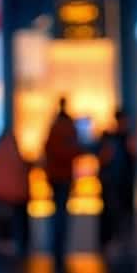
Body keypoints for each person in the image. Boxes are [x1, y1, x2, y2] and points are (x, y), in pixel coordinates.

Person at [43, 97, 81, 264]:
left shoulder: (54, 128)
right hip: (63, 176)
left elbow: (47, 150)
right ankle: (60, 245)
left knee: (57, 211)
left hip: (54, 175)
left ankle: (55, 246)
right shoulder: (68, 129)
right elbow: (74, 150)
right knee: (62, 212)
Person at [0, 129, 30, 256]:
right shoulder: (17, 156)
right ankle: (18, 248)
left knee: (2, 224)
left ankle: (2, 247)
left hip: (1, 196)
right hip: (17, 197)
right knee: (16, 226)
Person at [97, 109, 137, 255]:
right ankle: (111, 242)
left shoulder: (126, 137)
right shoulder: (110, 137)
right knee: (112, 213)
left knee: (124, 213)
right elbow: (103, 158)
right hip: (112, 182)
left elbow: (134, 157)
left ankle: (123, 241)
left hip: (124, 182)